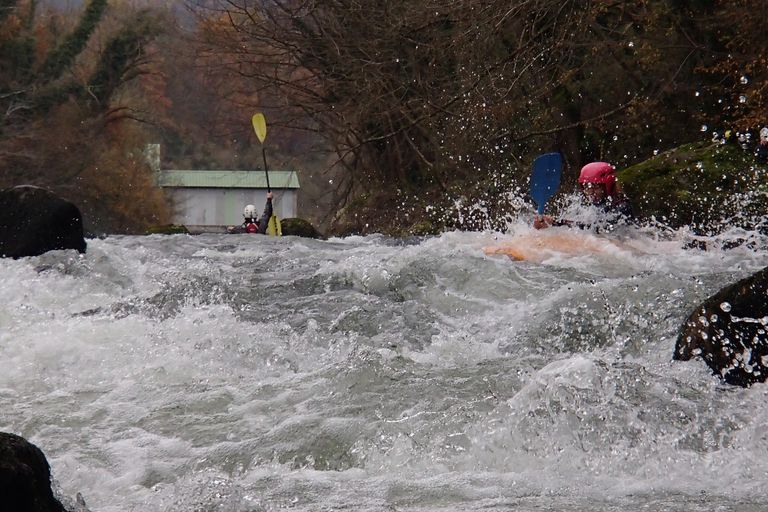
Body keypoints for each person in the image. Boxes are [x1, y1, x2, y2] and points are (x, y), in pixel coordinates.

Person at [534, 161, 633, 230]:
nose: (590, 192)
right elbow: (581, 225)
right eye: (587, 187)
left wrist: (557, 223)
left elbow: (598, 229)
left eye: (595, 187)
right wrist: (548, 222)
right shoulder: (590, 206)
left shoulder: (622, 207)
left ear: (608, 186)